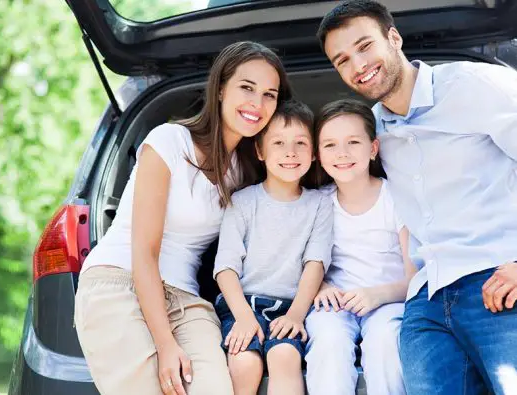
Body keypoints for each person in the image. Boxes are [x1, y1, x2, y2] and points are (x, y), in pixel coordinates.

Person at [317, 1, 517, 394]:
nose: (357, 65)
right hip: (425, 302)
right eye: (342, 60)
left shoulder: (475, 85)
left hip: (498, 280)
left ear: (393, 37)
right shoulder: (371, 134)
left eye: (364, 46)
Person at [73, 41, 293, 395]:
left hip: (187, 299)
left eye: (270, 94)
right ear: (220, 88)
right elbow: (144, 250)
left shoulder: (244, 172)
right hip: (121, 283)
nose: (258, 103)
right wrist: (165, 345)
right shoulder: (169, 142)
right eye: (247, 88)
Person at [213, 100, 333, 395]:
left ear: (314, 153)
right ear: (260, 151)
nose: (290, 152)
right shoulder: (241, 202)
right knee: (244, 362)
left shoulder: (319, 204)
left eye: (300, 143)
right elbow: (225, 268)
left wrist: (296, 315)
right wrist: (243, 317)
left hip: (290, 307)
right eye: (278, 142)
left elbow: (315, 264)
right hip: (243, 305)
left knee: (285, 357)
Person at [305, 99, 416, 395]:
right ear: (317, 155)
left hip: (389, 299)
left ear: (373, 148)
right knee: (327, 341)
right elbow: (303, 266)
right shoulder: (318, 203)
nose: (342, 153)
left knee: (385, 341)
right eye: (330, 145)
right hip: (335, 303)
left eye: (353, 142)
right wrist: (322, 287)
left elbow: (415, 277)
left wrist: (376, 294)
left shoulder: (395, 197)